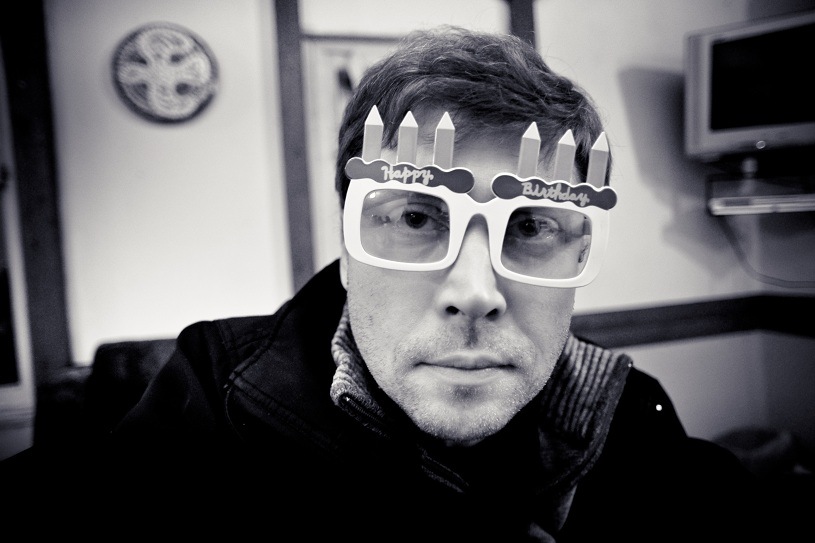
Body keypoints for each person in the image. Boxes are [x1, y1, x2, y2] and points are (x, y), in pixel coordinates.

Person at [4, 25, 775, 541]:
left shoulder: (633, 424)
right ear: (347, 245)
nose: (475, 291)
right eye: (414, 218)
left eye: (531, 226)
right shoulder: (210, 408)